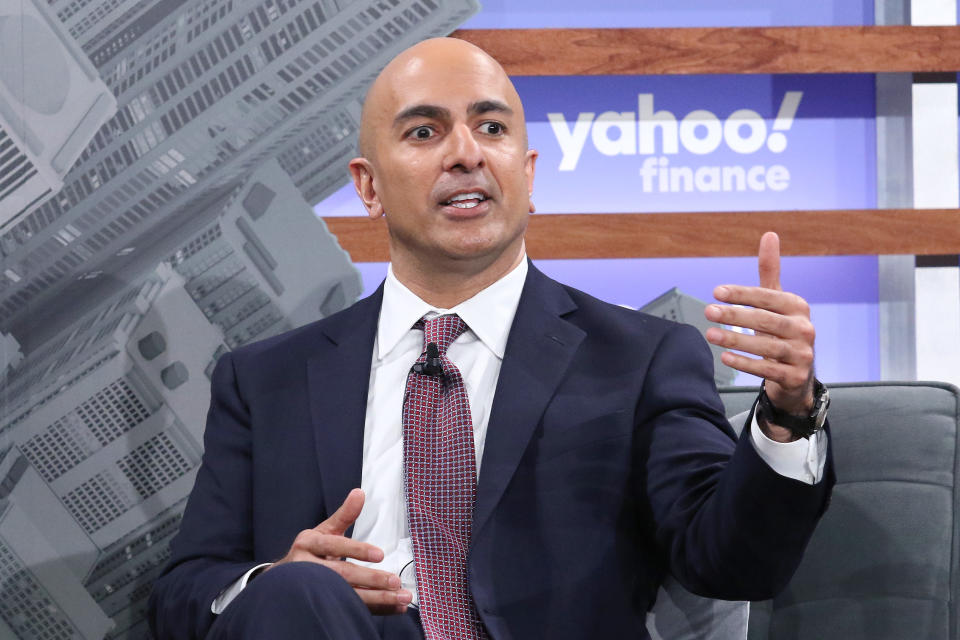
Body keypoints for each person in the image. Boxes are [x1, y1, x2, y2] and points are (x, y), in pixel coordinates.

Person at [148, 37, 834, 640]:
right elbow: (184, 595)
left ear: (528, 174)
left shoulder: (639, 359)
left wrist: (786, 412)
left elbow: (731, 562)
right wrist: (273, 581)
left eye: (491, 127)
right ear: (369, 187)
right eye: (424, 133)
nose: (465, 154)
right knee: (299, 592)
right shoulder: (263, 381)